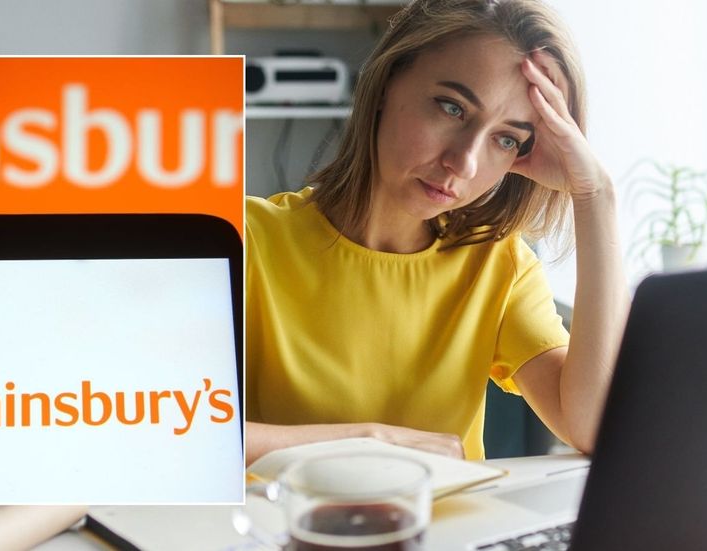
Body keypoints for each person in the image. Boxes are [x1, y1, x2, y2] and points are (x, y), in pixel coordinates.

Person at [245, 0, 629, 464]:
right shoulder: (244, 239)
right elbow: (175, 437)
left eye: (506, 139)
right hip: (284, 534)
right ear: (387, 80)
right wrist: (374, 441)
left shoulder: (497, 263)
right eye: (452, 107)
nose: (464, 163)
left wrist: (596, 196)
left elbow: (593, 428)